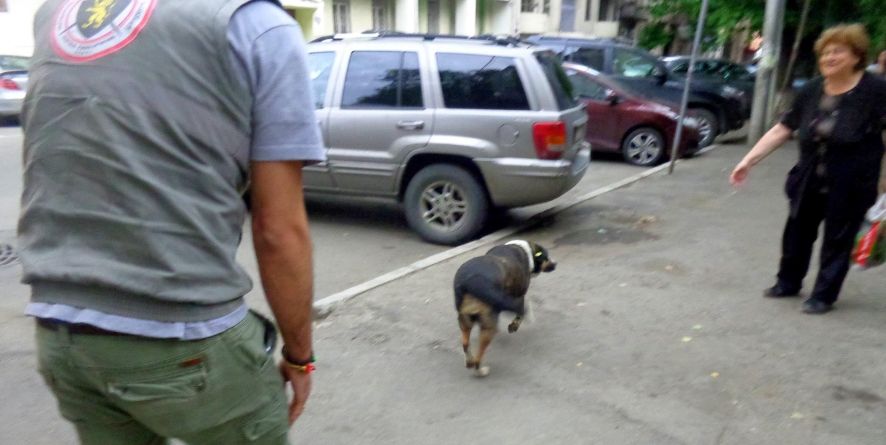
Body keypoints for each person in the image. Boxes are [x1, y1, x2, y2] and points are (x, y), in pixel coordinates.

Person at [20, 0, 325, 443]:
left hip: (61, 334)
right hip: (183, 339)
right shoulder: (257, 27)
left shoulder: (57, 14)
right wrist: (300, 358)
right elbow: (278, 231)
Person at [730, 24, 886, 314]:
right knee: (796, 233)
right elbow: (783, 129)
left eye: (837, 51)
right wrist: (748, 160)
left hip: (852, 181)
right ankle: (788, 282)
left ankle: (823, 295)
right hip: (809, 177)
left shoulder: (875, 90)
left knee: (837, 240)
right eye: (825, 53)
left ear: (856, 56)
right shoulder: (812, 89)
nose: (829, 57)